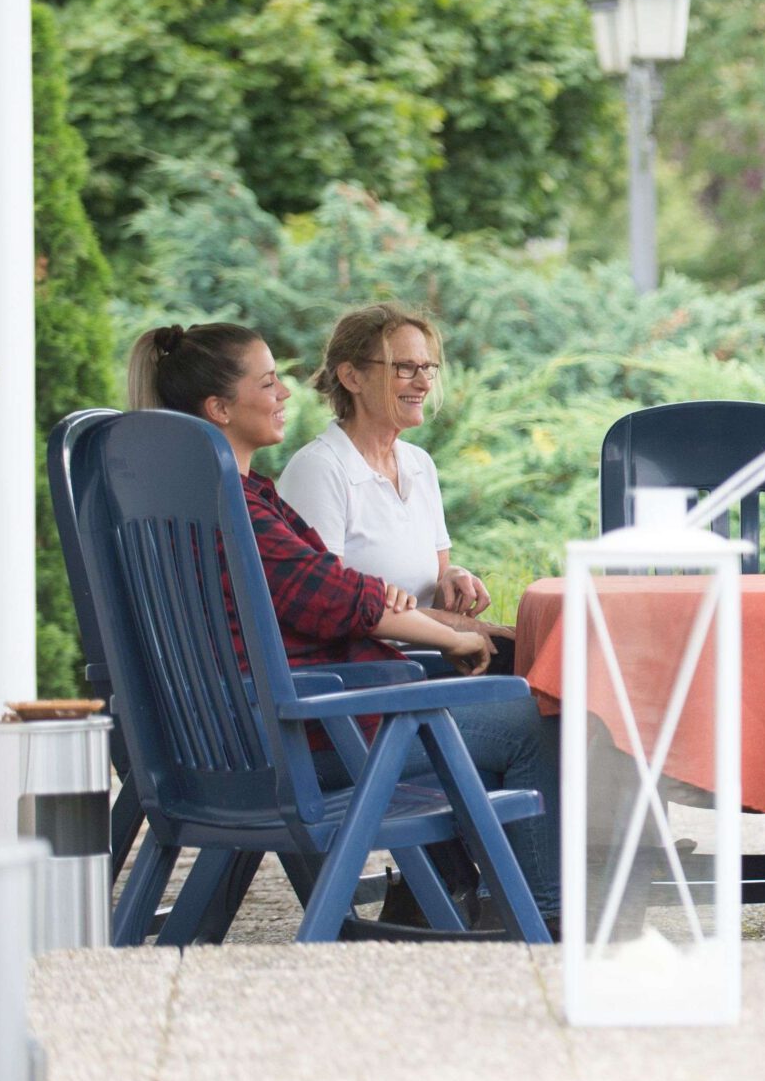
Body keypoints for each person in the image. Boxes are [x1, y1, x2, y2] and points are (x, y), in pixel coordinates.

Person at [125, 322, 561, 930]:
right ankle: (544, 918)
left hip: (234, 735)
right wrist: (455, 635)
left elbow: (328, 584)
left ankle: (452, 898)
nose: (285, 394)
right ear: (220, 407)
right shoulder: (239, 507)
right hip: (292, 742)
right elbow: (331, 594)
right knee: (535, 722)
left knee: (498, 711)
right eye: (270, 382)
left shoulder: (211, 500)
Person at [277, 303, 513, 672]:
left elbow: (430, 590)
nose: (423, 383)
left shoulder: (419, 465)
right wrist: (461, 628)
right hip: (371, 682)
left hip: (426, 661)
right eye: (405, 368)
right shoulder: (318, 470)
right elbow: (326, 608)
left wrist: (451, 578)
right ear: (352, 377)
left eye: (427, 367)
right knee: (546, 709)